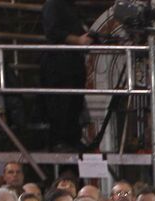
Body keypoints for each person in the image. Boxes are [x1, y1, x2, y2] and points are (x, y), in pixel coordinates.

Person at [41, 0, 91, 151]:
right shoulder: (53, 4)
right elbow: (52, 32)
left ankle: (72, 138)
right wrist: (78, 40)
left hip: (74, 61)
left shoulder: (71, 6)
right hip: (59, 62)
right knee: (62, 102)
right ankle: (60, 140)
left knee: (75, 101)